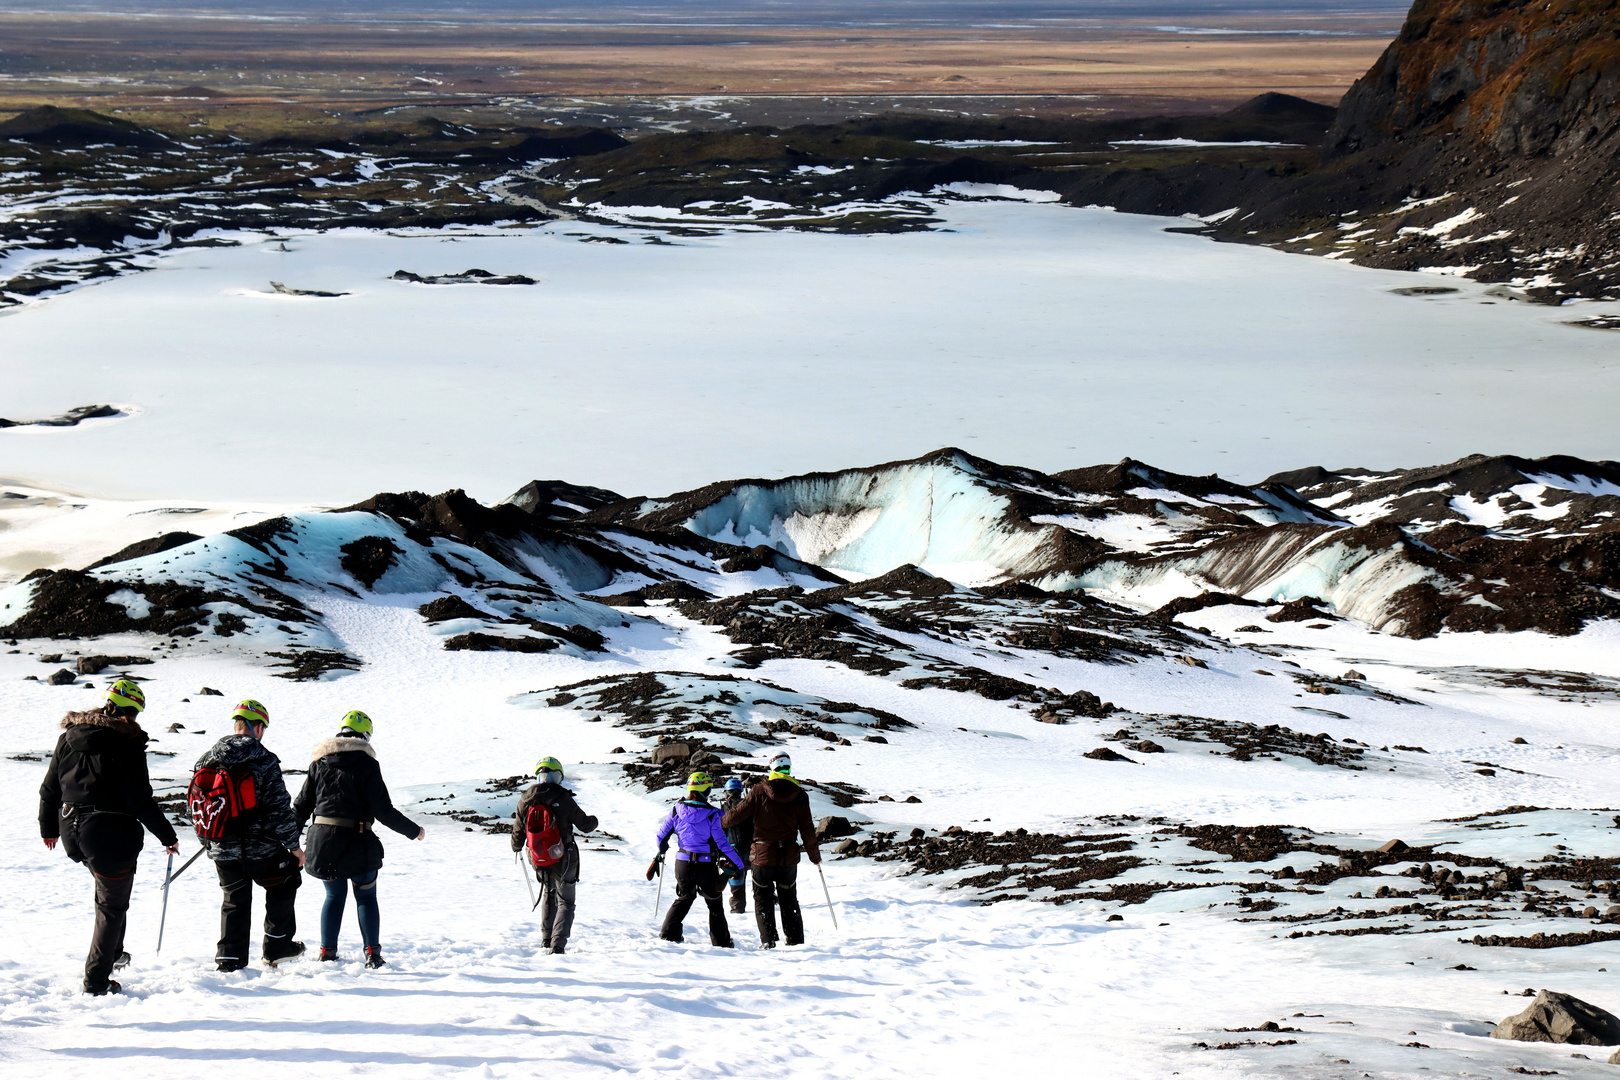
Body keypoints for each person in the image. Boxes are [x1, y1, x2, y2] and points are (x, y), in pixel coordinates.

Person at [37, 679, 179, 995]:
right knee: (111, 907)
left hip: (71, 827)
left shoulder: (68, 738)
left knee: (110, 895)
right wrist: (167, 836)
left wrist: (48, 829)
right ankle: (96, 981)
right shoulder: (125, 742)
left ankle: (113, 953)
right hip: (107, 832)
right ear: (129, 712)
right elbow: (139, 798)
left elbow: (50, 790)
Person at [293, 710, 423, 968]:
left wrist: (288, 842)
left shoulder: (318, 764)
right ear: (365, 737)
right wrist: (413, 830)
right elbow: (383, 811)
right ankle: (372, 955)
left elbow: (300, 808)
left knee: (333, 896)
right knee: (365, 896)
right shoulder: (367, 764)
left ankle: (327, 952)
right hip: (358, 839)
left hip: (322, 843)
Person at [192, 699, 305, 972]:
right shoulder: (264, 760)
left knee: (234, 899)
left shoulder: (207, 759)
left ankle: (230, 958)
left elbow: (197, 805)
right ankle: (277, 947)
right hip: (262, 849)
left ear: (236, 724)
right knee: (285, 882)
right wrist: (294, 848)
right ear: (258, 727)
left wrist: (208, 841)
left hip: (222, 846)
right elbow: (279, 809)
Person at [722, 752, 821, 949]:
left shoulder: (759, 791)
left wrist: (720, 821)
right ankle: (795, 941)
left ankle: (768, 940)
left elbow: (734, 817)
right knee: (789, 898)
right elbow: (808, 830)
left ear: (771, 769)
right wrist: (815, 857)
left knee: (762, 898)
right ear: (789, 770)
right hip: (788, 857)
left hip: (762, 854)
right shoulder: (800, 795)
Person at [510, 756, 598, 955]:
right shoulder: (563, 798)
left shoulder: (525, 798)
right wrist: (595, 821)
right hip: (564, 857)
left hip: (537, 858)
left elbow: (518, 832)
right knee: (566, 900)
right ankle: (558, 945)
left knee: (549, 893)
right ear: (556, 776)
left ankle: (546, 938)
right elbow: (585, 825)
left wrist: (516, 847)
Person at [649, 771, 747, 948]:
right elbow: (723, 845)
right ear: (706, 790)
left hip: (682, 863)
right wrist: (738, 865)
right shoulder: (713, 814)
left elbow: (660, 838)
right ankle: (722, 943)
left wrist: (661, 851)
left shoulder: (676, 810)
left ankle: (668, 934)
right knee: (714, 903)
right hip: (705, 865)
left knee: (685, 897)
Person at [719, 776, 751, 913]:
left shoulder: (723, 809)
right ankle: (768, 898)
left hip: (731, 849)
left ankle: (737, 904)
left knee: (736, 877)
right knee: (760, 876)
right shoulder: (748, 806)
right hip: (752, 847)